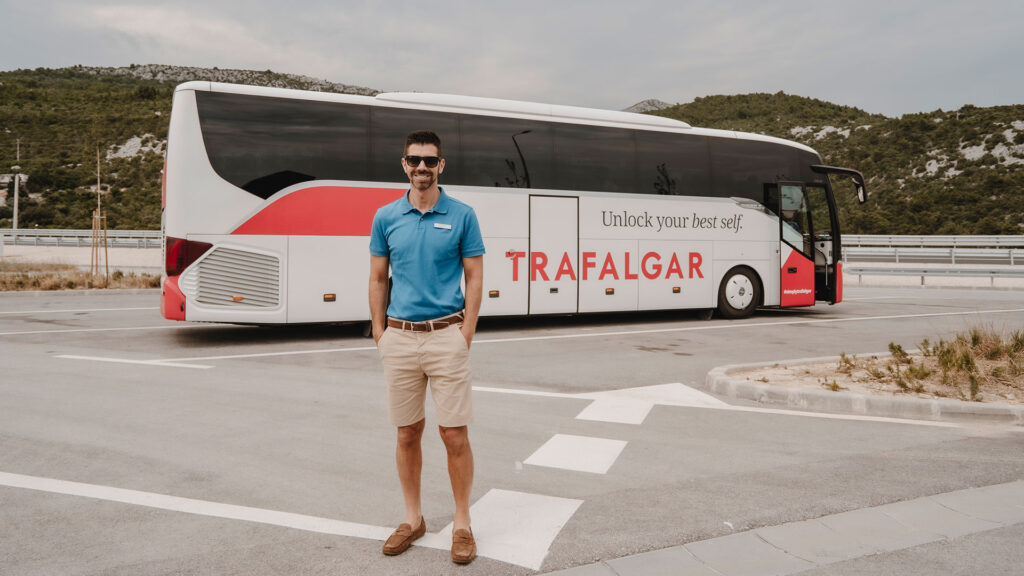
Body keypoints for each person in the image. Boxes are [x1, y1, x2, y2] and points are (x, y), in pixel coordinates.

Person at [368, 130, 485, 564]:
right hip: (399, 338)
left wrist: (466, 331)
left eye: (429, 161)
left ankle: (461, 523)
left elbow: (474, 276)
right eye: (414, 160)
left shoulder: (462, 215)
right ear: (404, 164)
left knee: (454, 433)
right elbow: (378, 277)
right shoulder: (386, 217)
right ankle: (413, 519)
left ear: (442, 166)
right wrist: (380, 332)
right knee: (406, 433)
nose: (422, 167)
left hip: (446, 336)